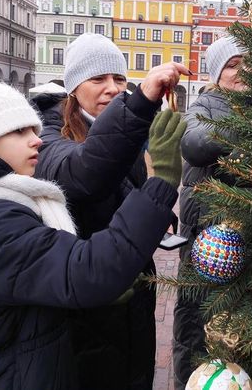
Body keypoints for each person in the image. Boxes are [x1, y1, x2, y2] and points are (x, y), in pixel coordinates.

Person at [0, 65, 186, 390]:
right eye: (19, 132)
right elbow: (85, 273)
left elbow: (41, 282)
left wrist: (93, 300)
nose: (36, 140)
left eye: (34, 129)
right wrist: (162, 181)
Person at [32, 32, 191, 389]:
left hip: (133, 292)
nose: (112, 88)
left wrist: (159, 218)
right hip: (86, 302)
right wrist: (139, 107)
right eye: (98, 79)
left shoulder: (126, 132)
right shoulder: (46, 133)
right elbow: (83, 174)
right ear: (73, 86)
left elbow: (125, 197)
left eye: (119, 78)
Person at [172, 35, 248, 390]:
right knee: (196, 319)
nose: (243, 70)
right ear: (217, 74)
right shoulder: (206, 104)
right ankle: (188, 381)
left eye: (249, 61)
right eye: (232, 65)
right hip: (206, 234)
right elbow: (196, 143)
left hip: (247, 231)